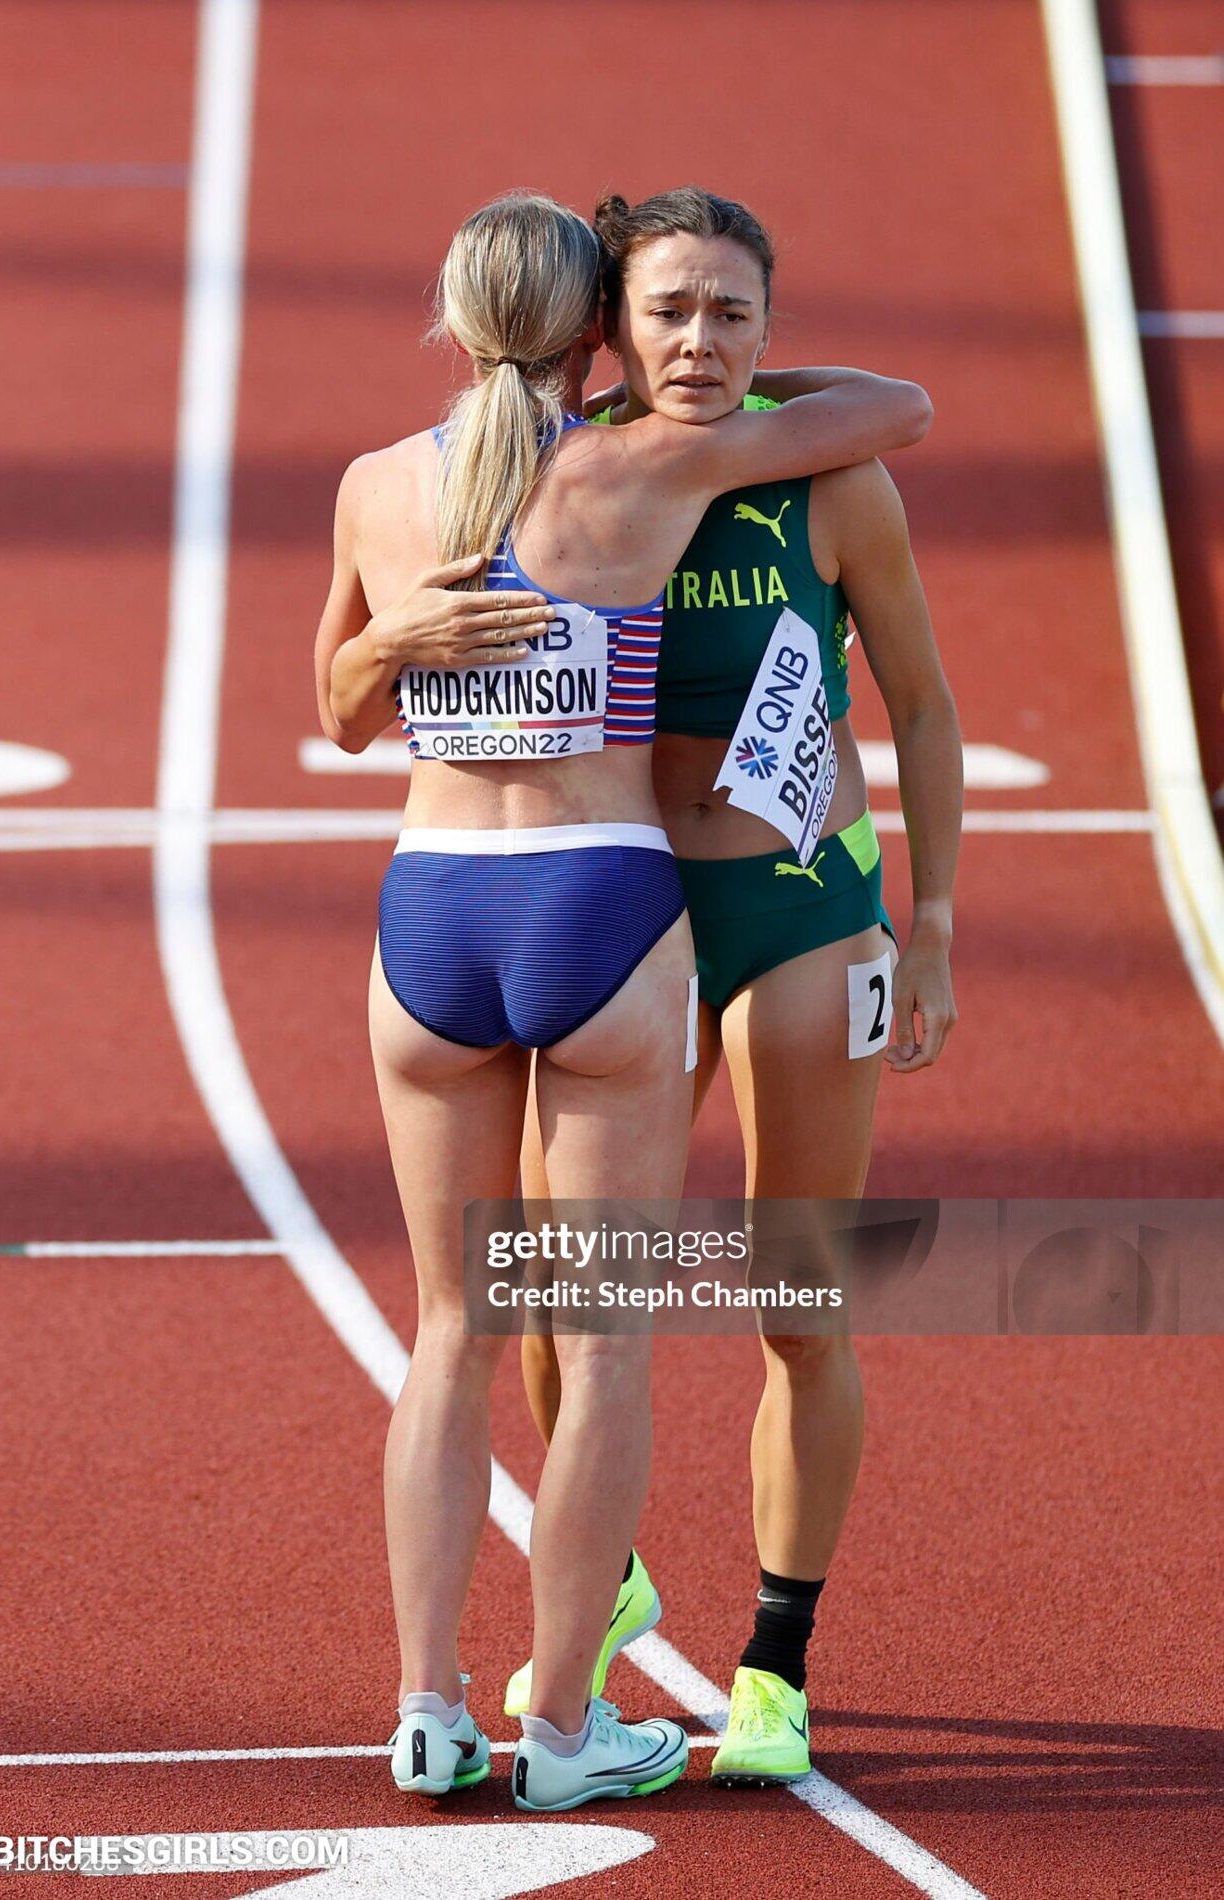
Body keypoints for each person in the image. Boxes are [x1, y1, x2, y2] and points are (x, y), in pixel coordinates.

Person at [314, 190, 931, 1810]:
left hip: (430, 915)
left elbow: (338, 708)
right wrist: (753, 376)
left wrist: (404, 633)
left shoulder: (378, 486)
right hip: (599, 902)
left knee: (451, 1330)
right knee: (602, 1348)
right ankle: (570, 1733)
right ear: (599, 328)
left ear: (451, 319)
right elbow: (901, 410)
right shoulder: (648, 466)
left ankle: (427, 1708)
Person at [510, 188, 962, 1786]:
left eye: (733, 314)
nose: (701, 342)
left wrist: (935, 922)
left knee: (798, 1302)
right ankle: (608, 1575)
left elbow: (921, 701)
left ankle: (775, 1658)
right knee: (555, 1286)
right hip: (633, 912)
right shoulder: (571, 475)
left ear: (772, 328)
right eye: (669, 313)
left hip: (801, 909)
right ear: (609, 331)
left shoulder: (828, 477)